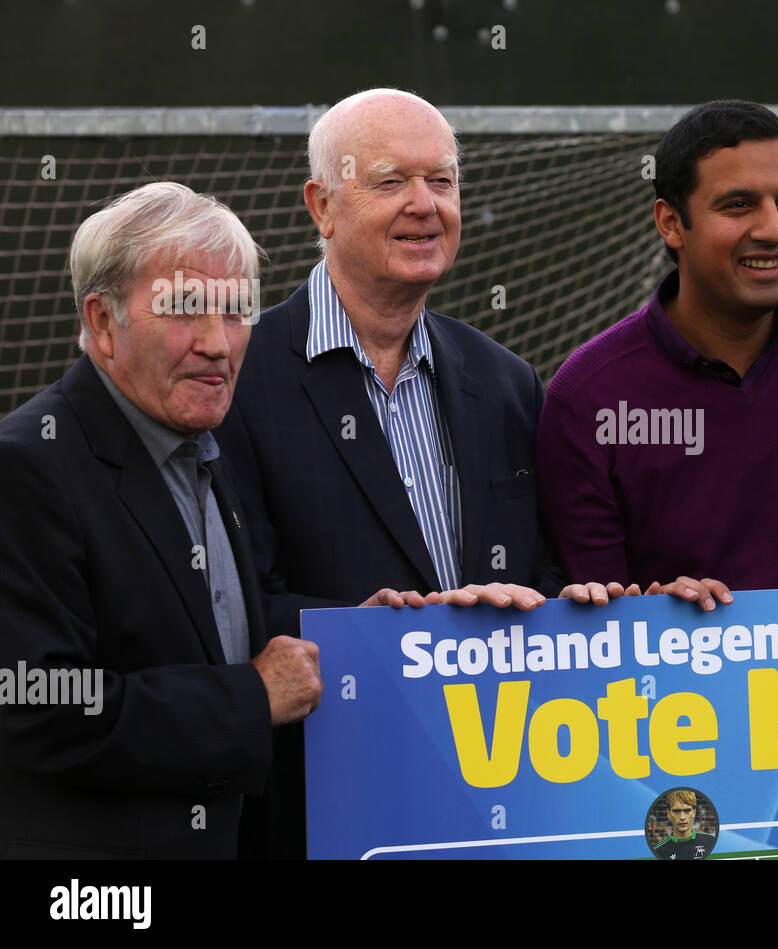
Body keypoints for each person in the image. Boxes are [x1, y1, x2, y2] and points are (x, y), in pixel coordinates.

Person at [217, 89, 716, 856]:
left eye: (442, 182)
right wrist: (399, 630)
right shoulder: (239, 383)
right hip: (326, 808)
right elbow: (233, 610)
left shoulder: (508, 381)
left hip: (500, 801)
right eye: (391, 182)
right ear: (321, 204)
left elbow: (548, 573)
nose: (425, 205)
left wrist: (607, 609)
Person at [0, 182, 322, 858]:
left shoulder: (203, 444)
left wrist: (373, 628)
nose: (217, 343)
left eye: (236, 311)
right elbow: (41, 705)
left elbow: (215, 629)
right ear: (103, 321)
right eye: (186, 310)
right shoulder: (27, 465)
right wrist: (249, 698)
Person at [537, 100, 778, 600]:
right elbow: (593, 615)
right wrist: (656, 612)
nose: (774, 230)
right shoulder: (587, 394)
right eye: (739, 205)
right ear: (670, 223)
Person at [652, 788, 716, 860]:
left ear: (694, 812)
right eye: (676, 811)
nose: (682, 817)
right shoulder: (658, 851)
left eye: (687, 810)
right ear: (668, 813)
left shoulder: (710, 842)